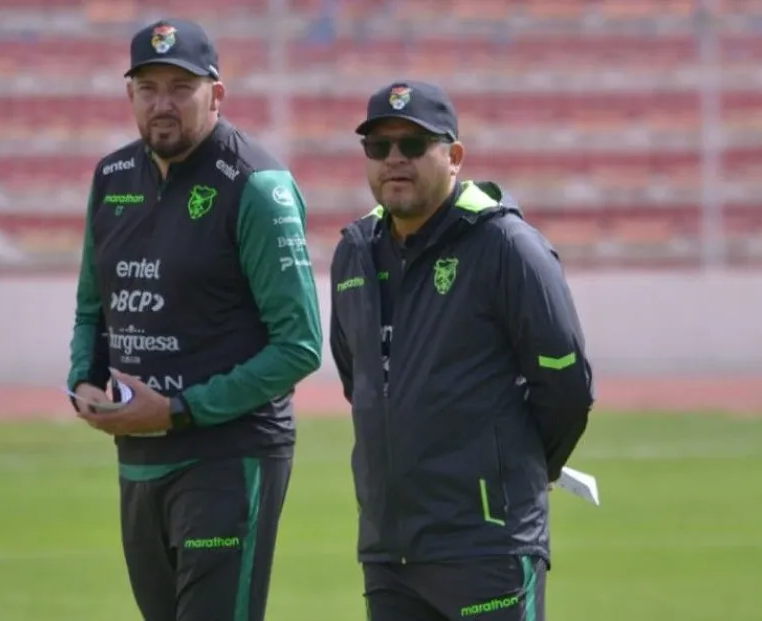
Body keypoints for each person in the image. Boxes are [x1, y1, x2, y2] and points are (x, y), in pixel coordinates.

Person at [65, 18, 323, 621]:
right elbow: (91, 306)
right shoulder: (112, 178)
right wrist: (83, 379)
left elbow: (300, 345)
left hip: (229, 457)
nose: (162, 104)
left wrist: (181, 409)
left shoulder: (256, 185)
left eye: (180, 87)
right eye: (147, 87)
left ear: (216, 93)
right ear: (129, 94)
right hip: (137, 455)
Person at [328, 80, 595, 621]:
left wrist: (516, 472)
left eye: (413, 144)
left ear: (453, 156)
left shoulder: (506, 247)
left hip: (487, 545)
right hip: (390, 552)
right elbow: (358, 377)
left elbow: (566, 387)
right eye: (378, 147)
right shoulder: (354, 253)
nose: (394, 160)